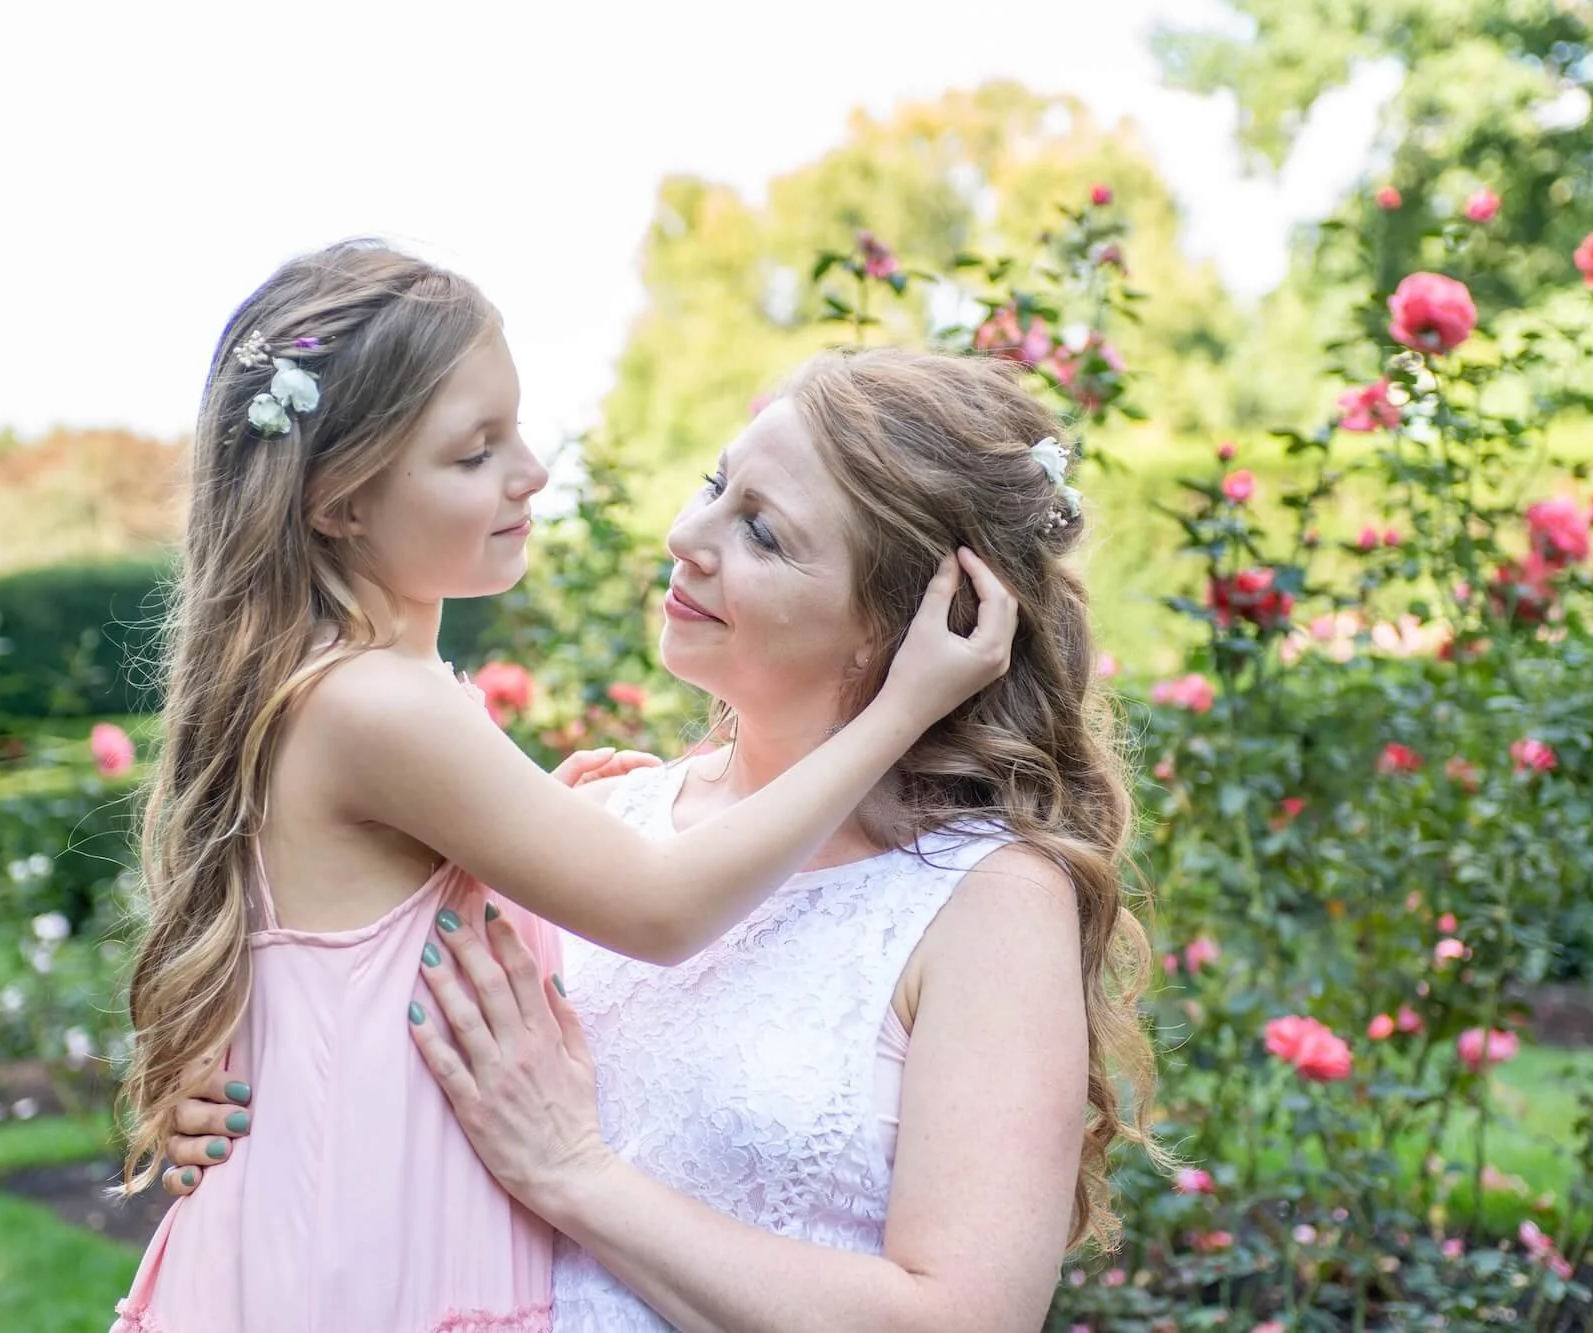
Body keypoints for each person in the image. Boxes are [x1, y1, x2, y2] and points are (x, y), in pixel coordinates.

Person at [110, 247, 1017, 1333]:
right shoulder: (381, 705)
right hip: (356, 1279)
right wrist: (897, 712)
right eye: (473, 452)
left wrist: (512, 836)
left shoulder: (364, 698)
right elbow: (660, 906)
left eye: (515, 429)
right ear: (340, 502)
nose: (529, 471)